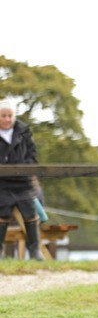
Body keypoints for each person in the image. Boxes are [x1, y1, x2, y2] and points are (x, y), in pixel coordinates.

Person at [0, 99, 41, 260]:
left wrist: (25, 168)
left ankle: (35, 251)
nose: (7, 119)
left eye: (10, 116)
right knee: (2, 214)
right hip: (1, 183)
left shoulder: (24, 131)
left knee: (30, 213)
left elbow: (32, 154)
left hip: (23, 181)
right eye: (3, 116)